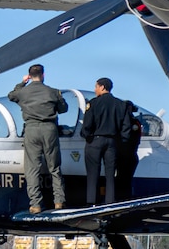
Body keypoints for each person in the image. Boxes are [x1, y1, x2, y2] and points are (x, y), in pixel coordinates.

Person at [7, 64, 68, 213]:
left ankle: (35, 204)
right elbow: (63, 109)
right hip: (50, 129)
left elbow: (11, 95)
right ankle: (59, 201)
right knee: (54, 167)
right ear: (43, 75)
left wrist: (22, 82)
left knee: (32, 169)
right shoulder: (53, 92)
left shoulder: (23, 92)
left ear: (29, 75)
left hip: (31, 129)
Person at [78, 78, 135, 206]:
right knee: (110, 175)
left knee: (93, 174)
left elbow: (87, 125)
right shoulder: (121, 105)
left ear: (102, 87)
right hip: (113, 142)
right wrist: (121, 141)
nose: (94, 89)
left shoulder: (93, 103)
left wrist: (86, 136)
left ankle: (92, 202)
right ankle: (110, 202)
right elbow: (126, 127)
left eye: (96, 87)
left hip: (95, 141)